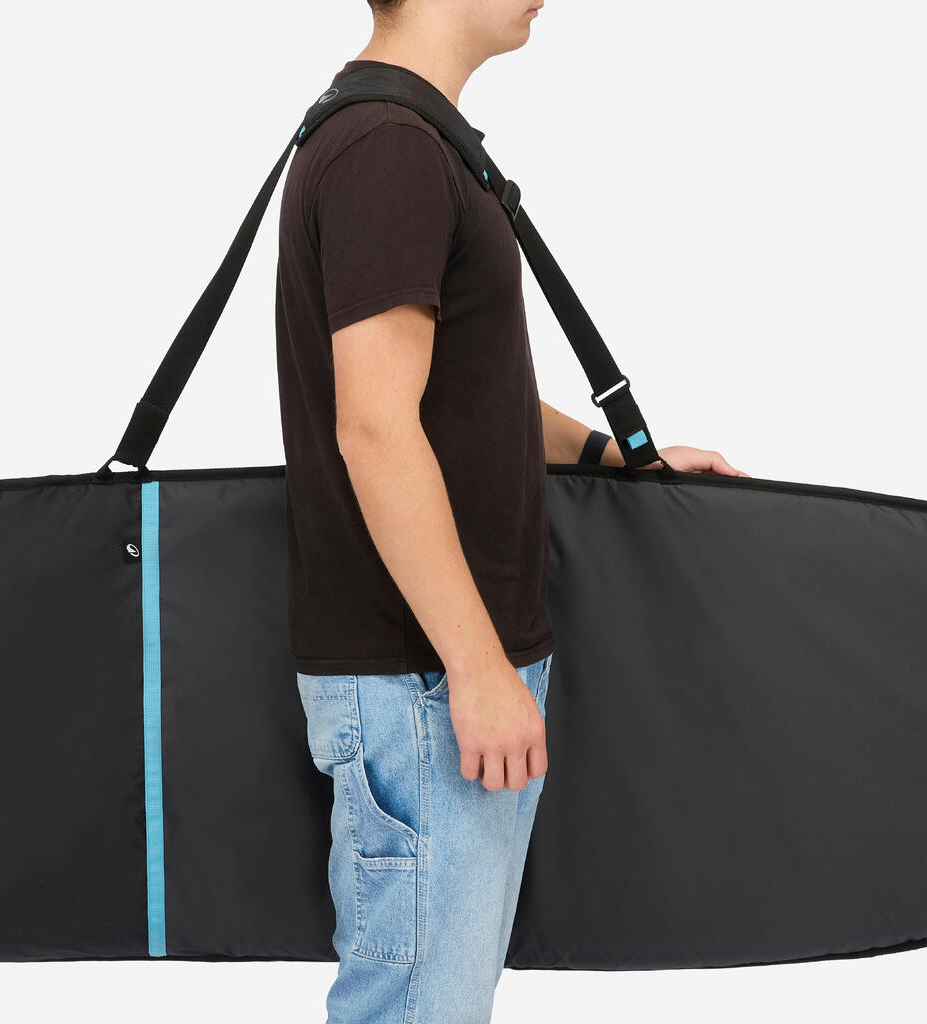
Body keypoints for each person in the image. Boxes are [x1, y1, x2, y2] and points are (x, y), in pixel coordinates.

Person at [274, 1, 747, 1019]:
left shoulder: (410, 139)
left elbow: (464, 391)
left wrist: (618, 457)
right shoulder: (388, 151)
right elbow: (376, 428)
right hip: (425, 680)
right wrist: (477, 667)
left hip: (434, 672)